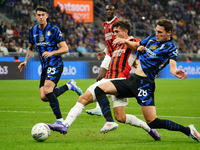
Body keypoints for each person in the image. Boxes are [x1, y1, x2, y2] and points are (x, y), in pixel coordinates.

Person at [47, 19, 161, 141]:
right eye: (114, 32)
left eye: (117, 32)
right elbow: (129, 60)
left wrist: (125, 41)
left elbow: (137, 46)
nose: (114, 34)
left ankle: (65, 125)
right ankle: (150, 130)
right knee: (118, 116)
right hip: (114, 81)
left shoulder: (133, 41)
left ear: (126, 31)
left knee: (88, 100)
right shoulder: (117, 44)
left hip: (118, 80)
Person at [94, 19, 200, 142]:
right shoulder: (152, 38)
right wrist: (125, 41)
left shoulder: (171, 47)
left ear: (168, 33)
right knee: (99, 88)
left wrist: (175, 71)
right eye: (156, 31)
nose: (157, 34)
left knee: (153, 122)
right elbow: (136, 45)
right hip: (133, 80)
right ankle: (109, 122)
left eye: (160, 32)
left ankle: (188, 130)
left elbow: (172, 67)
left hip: (145, 84)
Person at [18, 6, 83, 125]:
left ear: (47, 16)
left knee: (47, 89)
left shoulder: (54, 29)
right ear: (36, 16)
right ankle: (69, 86)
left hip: (55, 63)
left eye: (43, 14)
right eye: (39, 15)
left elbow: (65, 48)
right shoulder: (33, 30)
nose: (41, 17)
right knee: (44, 96)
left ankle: (60, 121)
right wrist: (25, 61)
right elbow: (31, 48)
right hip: (45, 66)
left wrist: (51, 52)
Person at [86, 4, 121, 116]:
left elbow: (123, 38)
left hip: (117, 55)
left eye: (111, 9)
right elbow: (109, 42)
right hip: (109, 54)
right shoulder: (105, 24)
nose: (108, 11)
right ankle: (99, 107)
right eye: (107, 10)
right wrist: (104, 51)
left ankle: (105, 106)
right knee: (100, 78)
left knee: (111, 81)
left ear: (115, 10)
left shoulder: (118, 23)